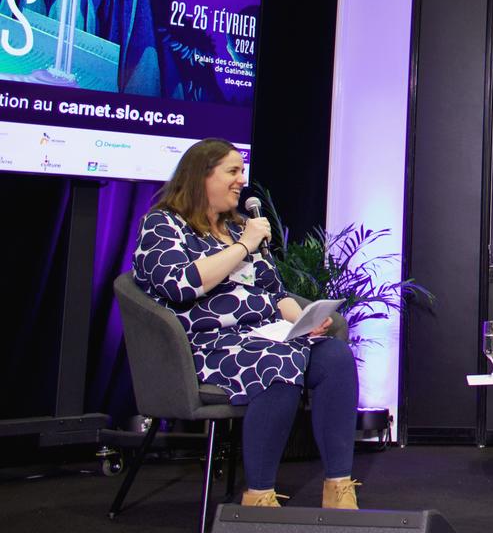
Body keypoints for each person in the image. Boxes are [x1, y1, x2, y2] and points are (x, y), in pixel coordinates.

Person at [131, 138, 360, 509]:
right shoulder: (163, 224)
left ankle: (338, 487)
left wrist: (307, 320)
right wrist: (243, 247)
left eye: (242, 171)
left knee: (334, 356)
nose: (242, 180)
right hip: (206, 345)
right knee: (277, 362)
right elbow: (180, 283)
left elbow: (276, 291)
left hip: (265, 334)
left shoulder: (238, 228)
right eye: (232, 171)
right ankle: (259, 497)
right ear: (200, 177)